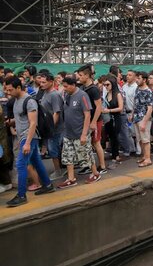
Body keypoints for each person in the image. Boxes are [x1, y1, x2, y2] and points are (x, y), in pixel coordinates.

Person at [3, 76, 54, 207]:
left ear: (18, 87)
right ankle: (48, 185)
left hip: (29, 137)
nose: (8, 92)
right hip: (24, 137)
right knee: (36, 161)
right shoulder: (16, 100)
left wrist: (26, 143)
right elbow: (21, 118)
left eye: (10, 90)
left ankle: (21, 195)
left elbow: (32, 123)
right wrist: (10, 122)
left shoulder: (29, 101)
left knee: (20, 164)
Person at [58, 75, 101, 188]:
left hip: (80, 132)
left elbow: (87, 115)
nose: (64, 89)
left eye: (66, 86)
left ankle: (95, 173)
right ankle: (71, 178)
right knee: (68, 156)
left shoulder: (82, 96)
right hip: (68, 133)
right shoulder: (67, 95)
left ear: (73, 85)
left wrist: (83, 134)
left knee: (86, 154)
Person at [78, 64, 107, 174]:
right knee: (87, 145)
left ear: (87, 75)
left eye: (81, 75)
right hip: (87, 120)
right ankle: (89, 165)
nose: (79, 77)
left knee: (96, 143)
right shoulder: (83, 88)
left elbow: (99, 107)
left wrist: (94, 122)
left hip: (95, 120)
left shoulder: (93, 89)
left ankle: (103, 166)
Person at [39, 73, 65, 180]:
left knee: (53, 149)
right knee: (53, 149)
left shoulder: (54, 95)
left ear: (51, 82)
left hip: (55, 129)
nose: (41, 84)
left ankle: (58, 171)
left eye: (44, 82)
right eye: (40, 82)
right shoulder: (45, 93)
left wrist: (50, 127)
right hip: (49, 128)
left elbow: (56, 113)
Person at [132, 72, 153, 167]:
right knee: (140, 139)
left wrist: (144, 122)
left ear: (144, 80)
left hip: (144, 118)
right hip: (136, 117)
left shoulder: (148, 91)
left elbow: (150, 108)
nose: (136, 80)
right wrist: (132, 114)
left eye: (138, 78)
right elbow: (135, 103)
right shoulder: (137, 88)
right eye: (136, 78)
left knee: (145, 140)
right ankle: (144, 156)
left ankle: (148, 159)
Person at [102, 76, 124, 169]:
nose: (106, 86)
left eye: (107, 84)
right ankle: (114, 154)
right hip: (108, 119)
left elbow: (121, 108)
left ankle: (116, 155)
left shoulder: (118, 94)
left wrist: (109, 111)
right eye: (104, 85)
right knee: (111, 137)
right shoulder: (106, 95)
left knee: (115, 136)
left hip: (116, 117)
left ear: (112, 84)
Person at [123, 70, 138, 155]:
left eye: (130, 75)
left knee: (134, 133)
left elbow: (136, 102)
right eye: (127, 75)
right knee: (128, 132)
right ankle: (131, 149)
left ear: (135, 77)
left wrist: (132, 113)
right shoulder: (124, 86)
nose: (127, 76)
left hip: (133, 113)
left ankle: (137, 150)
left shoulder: (136, 87)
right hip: (125, 112)